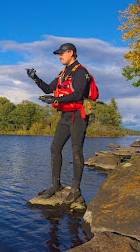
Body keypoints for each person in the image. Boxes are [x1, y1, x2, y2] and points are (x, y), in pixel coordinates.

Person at [26, 43, 92, 205]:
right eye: (58, 54)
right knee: (55, 148)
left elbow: (77, 94)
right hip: (65, 116)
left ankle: (75, 190)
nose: (59, 56)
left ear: (71, 53)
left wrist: (56, 99)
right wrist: (35, 77)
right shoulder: (64, 72)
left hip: (79, 116)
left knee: (76, 151)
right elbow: (48, 89)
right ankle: (56, 185)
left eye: (61, 53)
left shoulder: (81, 71)